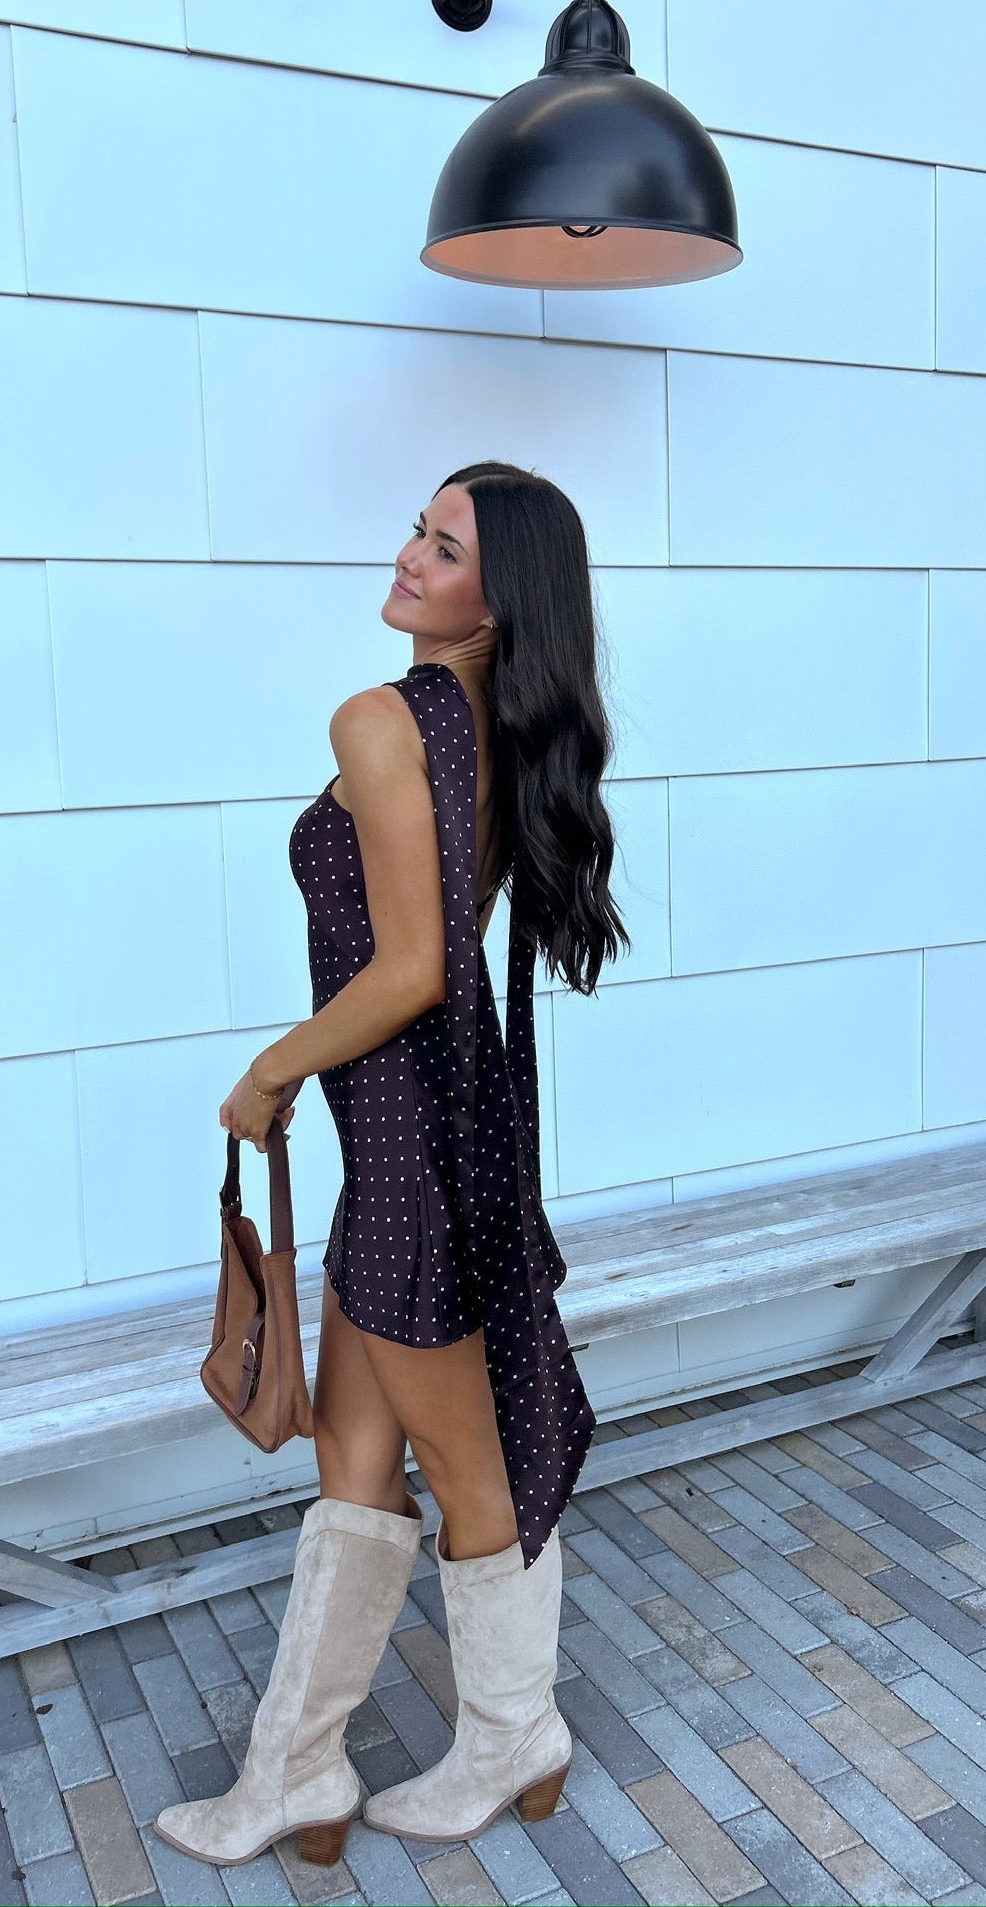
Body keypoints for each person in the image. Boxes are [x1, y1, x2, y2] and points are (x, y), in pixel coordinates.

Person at [153, 460, 630, 1869]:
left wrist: (269, 1071)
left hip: (412, 1146)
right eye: (420, 529)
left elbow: (414, 967)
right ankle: (293, 1776)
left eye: (446, 547)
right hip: (424, 1136)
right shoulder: (498, 729)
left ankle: (513, 1739)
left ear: (501, 597)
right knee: (354, 1464)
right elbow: (442, 958)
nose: (410, 555)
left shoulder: (380, 720)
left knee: (469, 1476)